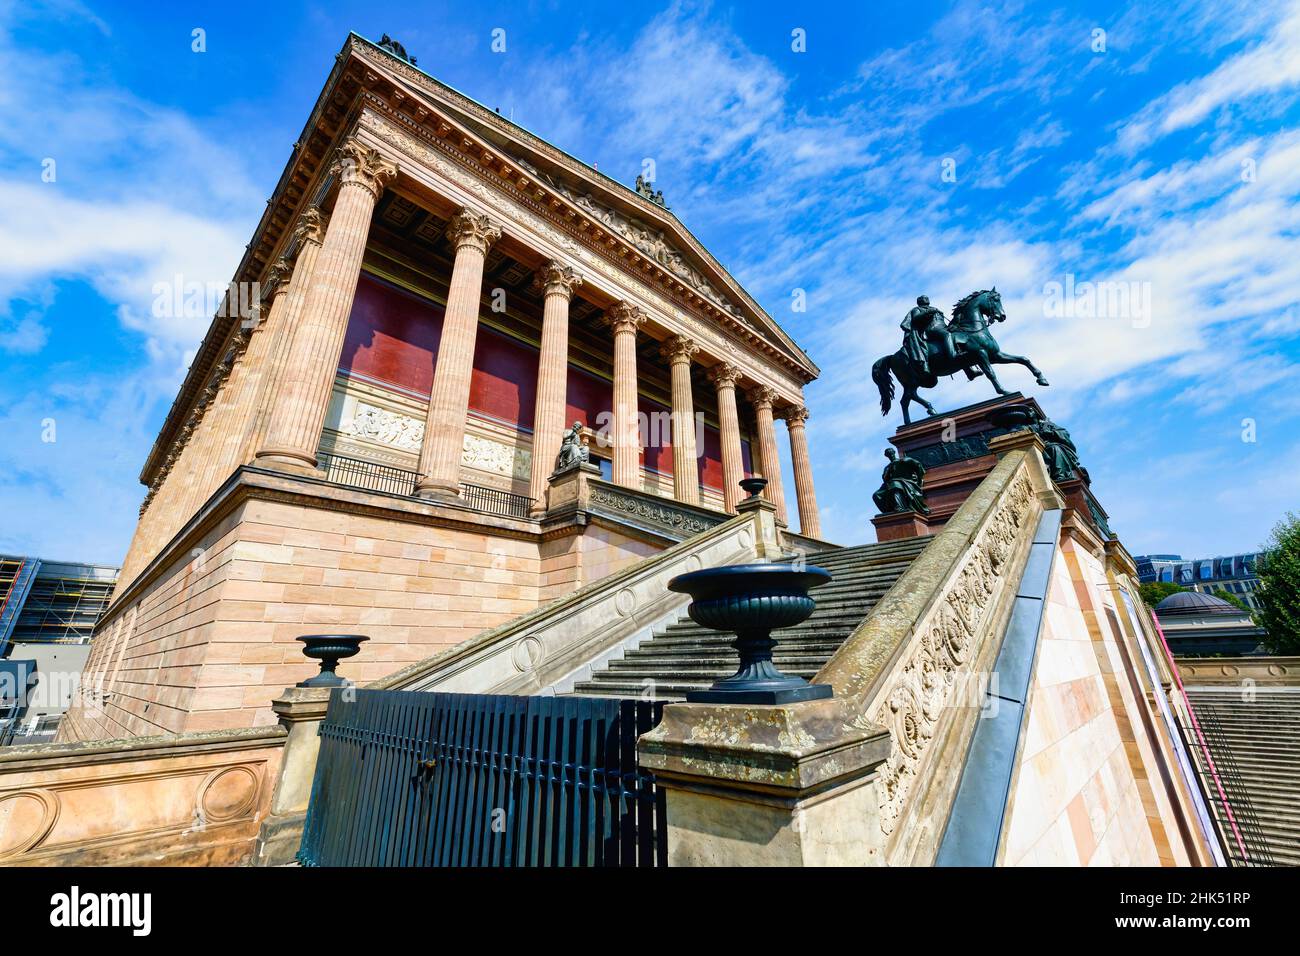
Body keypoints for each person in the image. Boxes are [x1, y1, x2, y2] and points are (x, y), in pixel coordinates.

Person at [872, 449, 929, 515]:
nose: (891, 455)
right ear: (886, 456)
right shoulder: (888, 467)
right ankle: (888, 511)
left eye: (891, 453)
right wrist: (889, 470)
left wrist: (919, 480)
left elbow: (918, 467)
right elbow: (885, 479)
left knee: (894, 484)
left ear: (894, 453)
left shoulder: (905, 460)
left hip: (906, 482)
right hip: (892, 484)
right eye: (888, 454)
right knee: (876, 495)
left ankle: (899, 507)